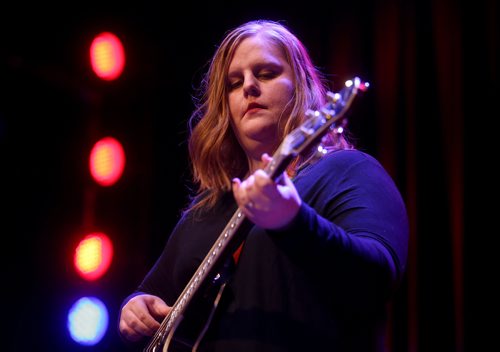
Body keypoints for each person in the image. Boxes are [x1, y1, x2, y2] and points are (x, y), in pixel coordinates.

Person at [118, 19, 409, 352]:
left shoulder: (349, 171)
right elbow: (153, 293)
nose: (249, 88)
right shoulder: (208, 210)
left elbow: (377, 276)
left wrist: (293, 222)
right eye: (234, 82)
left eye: (266, 73)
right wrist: (135, 306)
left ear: (300, 85)